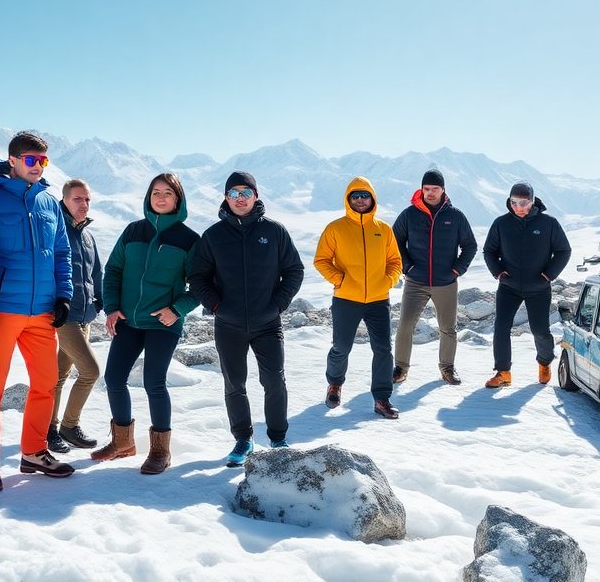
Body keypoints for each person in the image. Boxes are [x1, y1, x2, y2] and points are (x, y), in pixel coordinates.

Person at [0, 132, 74, 492]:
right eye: (31, 160)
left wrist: (64, 295)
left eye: (43, 161)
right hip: (1, 310)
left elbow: (62, 253)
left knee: (46, 383)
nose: (38, 166)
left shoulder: (49, 204)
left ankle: (34, 451)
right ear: (12, 160)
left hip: (43, 312)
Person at [188, 171, 304, 466]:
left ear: (256, 195)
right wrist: (216, 306)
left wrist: (277, 304)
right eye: (234, 193)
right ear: (226, 197)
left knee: (274, 380)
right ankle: (243, 440)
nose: (240, 199)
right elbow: (198, 277)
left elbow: (294, 270)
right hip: (228, 324)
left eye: (246, 193)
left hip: (268, 323)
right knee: (234, 383)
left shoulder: (275, 232)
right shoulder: (213, 236)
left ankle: (278, 439)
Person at [92, 173, 200, 475]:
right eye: (156, 192)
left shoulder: (189, 239)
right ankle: (122, 442)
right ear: (148, 197)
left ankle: (160, 451)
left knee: (154, 381)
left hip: (162, 323)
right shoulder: (133, 231)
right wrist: (112, 308)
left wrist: (177, 310)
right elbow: (113, 271)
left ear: (178, 199)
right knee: (113, 379)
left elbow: (201, 285)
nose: (161, 198)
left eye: (168, 193)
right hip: (128, 320)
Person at [314, 177, 403, 419]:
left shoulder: (383, 229)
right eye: (355, 196)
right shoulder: (336, 228)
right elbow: (321, 260)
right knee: (341, 347)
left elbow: (395, 262)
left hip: (378, 299)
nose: (361, 200)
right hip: (346, 299)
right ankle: (335, 383)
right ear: (348, 199)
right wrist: (339, 279)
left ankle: (382, 398)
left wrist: (388, 281)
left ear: (372, 198)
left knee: (383, 349)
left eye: (365, 195)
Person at [391, 169, 478, 385]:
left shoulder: (455, 216)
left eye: (434, 189)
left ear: (443, 190)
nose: (430, 193)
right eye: (426, 189)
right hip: (415, 282)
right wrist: (408, 267)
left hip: (445, 283)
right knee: (405, 325)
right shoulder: (409, 214)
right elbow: (394, 242)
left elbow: (470, 245)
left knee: (448, 328)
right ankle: (400, 368)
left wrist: (457, 270)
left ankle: (447, 368)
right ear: (421, 189)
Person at [481, 181, 572, 388]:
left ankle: (545, 362)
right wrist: (498, 272)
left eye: (523, 203)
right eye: (514, 202)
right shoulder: (501, 223)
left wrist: (548, 275)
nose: (518, 207)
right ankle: (503, 372)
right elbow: (489, 251)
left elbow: (563, 251)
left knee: (539, 329)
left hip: (538, 287)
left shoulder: (548, 224)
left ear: (532, 201)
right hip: (509, 287)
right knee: (501, 327)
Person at [47, 178, 103, 454]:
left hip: (85, 315)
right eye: (77, 199)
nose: (84, 204)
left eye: (87, 199)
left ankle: (49, 428)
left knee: (59, 375)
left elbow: (96, 273)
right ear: (65, 200)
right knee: (91, 371)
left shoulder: (88, 235)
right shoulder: (56, 229)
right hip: (64, 316)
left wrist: (100, 300)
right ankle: (68, 426)